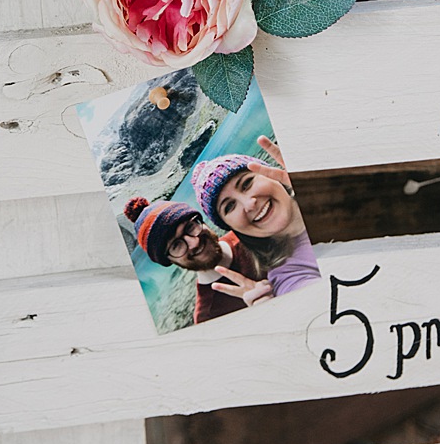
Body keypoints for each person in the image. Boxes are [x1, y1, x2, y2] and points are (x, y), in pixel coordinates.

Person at [190, 136, 320, 296]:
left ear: (269, 173)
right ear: (232, 228)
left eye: (247, 184)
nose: (249, 204)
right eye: (230, 206)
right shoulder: (289, 275)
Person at [124, 195, 273, 325]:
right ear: (169, 260)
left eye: (190, 227)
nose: (194, 243)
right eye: (176, 245)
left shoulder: (252, 233)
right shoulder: (207, 316)